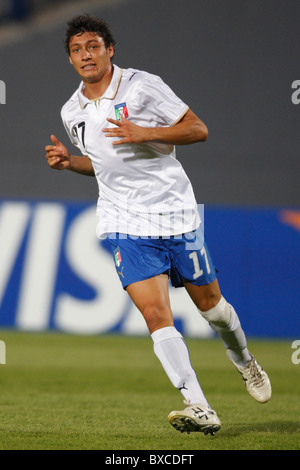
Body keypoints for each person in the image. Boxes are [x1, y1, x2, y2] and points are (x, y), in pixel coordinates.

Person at [45, 14, 271, 435]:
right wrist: (69, 163)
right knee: (155, 313)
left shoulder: (142, 85)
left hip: (175, 214)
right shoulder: (71, 110)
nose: (85, 55)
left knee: (212, 309)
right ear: (71, 59)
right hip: (123, 222)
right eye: (77, 49)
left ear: (109, 50)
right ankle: (198, 404)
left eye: (93, 46)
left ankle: (243, 360)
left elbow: (198, 129)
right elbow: (104, 166)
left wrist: (143, 132)